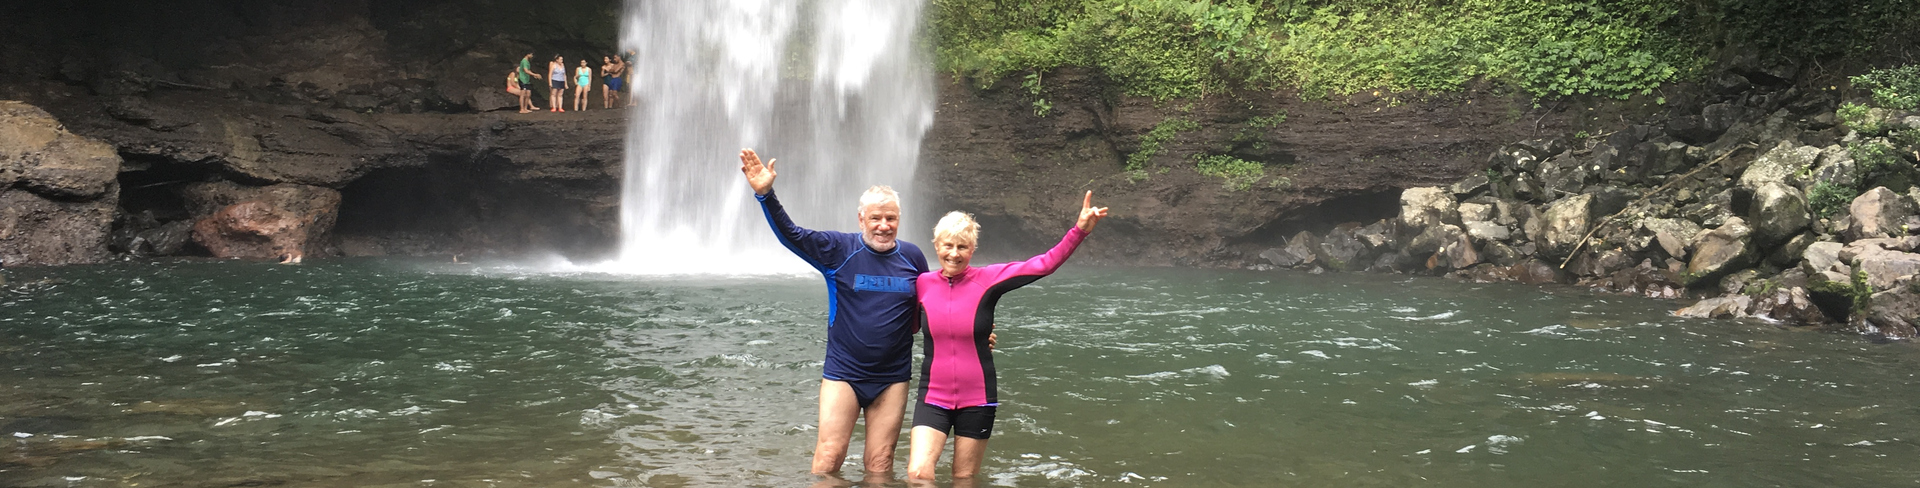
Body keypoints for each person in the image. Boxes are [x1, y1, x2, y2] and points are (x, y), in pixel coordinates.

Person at [738, 148, 923, 476]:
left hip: (892, 376)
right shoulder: (839, 250)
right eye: (875, 218)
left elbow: (932, 305)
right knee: (828, 457)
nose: (883, 226)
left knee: (880, 464)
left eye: (890, 218)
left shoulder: (912, 257)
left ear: (899, 220)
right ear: (861, 219)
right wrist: (765, 195)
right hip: (845, 373)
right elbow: (792, 236)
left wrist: (977, 333)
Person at [905, 192, 1108, 482]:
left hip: (977, 398)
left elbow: (1044, 264)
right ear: (936, 246)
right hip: (933, 396)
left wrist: (1080, 230)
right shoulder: (923, 284)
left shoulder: (988, 279)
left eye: (962, 247)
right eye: (947, 245)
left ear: (972, 249)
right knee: (918, 473)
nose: (954, 253)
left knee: (964, 478)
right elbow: (906, 324)